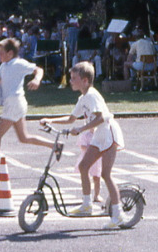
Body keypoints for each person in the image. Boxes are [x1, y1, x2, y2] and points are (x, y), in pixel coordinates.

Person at [40, 62, 126, 228]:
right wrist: (51, 120)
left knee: (106, 174)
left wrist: (81, 129)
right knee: (84, 167)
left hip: (108, 133)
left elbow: (101, 118)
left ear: (85, 80)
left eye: (74, 78)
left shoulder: (92, 95)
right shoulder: (83, 98)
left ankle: (118, 214)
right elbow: (71, 118)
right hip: (99, 135)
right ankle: (86, 205)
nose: (70, 81)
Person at [0, 38, 57, 178]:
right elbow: (1, 81)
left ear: (10, 53)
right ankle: (55, 146)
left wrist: (37, 79)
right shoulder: (3, 66)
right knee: (24, 137)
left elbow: (38, 69)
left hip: (15, 102)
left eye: (1, 52)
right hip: (13, 103)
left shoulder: (18, 63)